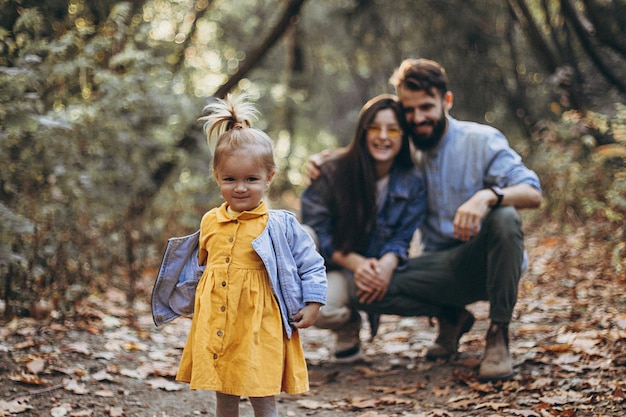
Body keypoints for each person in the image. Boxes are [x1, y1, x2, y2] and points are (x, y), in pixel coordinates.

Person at [306, 58, 542, 382]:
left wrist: (486, 196)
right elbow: (371, 146)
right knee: (360, 289)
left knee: (503, 217)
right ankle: (451, 316)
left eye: (426, 107)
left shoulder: (481, 140)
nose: (418, 118)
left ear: (447, 101)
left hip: (487, 261)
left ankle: (498, 334)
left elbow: (532, 192)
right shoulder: (407, 147)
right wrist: (327, 160)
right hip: (436, 267)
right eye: (409, 110)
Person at [176, 94, 327, 417]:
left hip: (261, 325)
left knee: (262, 389)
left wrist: (313, 303)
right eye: (230, 179)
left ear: (269, 178)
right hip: (220, 323)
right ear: (217, 177)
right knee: (224, 391)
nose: (240, 188)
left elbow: (312, 264)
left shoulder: (280, 224)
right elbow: (201, 270)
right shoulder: (210, 222)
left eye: (251, 179)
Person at [300, 94, 426, 363]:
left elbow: (403, 238)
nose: (383, 136)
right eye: (375, 128)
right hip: (332, 266)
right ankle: (347, 326)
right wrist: (355, 262)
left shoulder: (413, 181)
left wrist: (386, 265)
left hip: (377, 267)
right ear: (363, 131)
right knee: (313, 302)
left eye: (393, 129)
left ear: (403, 135)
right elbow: (318, 230)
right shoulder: (331, 170)